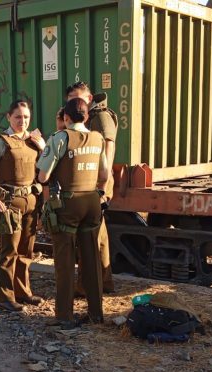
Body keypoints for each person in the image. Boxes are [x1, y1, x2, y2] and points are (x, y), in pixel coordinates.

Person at [37, 98, 110, 329]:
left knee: (65, 262)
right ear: (86, 117)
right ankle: (96, 314)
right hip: (92, 201)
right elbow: (105, 175)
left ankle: (64, 316)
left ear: (66, 118)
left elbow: (43, 177)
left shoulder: (60, 138)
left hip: (67, 205)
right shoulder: (98, 138)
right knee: (91, 261)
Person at [0, 100, 46, 312]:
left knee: (26, 250)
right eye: (17, 117)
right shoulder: (0, 141)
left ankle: (23, 292)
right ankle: (5, 297)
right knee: (9, 250)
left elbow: (45, 170)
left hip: (31, 202)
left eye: (26, 117)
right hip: (9, 204)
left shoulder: (34, 141)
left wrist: (43, 147)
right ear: (9, 117)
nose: (22, 121)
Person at [65, 81, 118, 294]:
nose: (76, 103)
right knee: (98, 235)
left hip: (95, 181)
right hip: (89, 181)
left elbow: (108, 149)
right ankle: (101, 282)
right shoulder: (87, 117)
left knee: (92, 236)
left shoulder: (101, 117)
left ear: (89, 98)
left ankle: (90, 284)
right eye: (71, 101)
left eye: (79, 98)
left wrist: (101, 187)